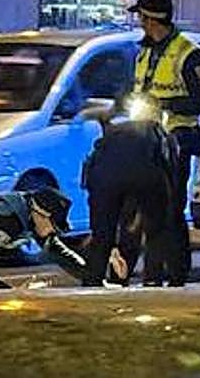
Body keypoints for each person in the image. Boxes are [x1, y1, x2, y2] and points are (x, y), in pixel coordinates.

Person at [127, 0, 200, 287]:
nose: (139, 21)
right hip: (145, 140)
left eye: (141, 16)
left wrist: (164, 105)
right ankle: (152, 273)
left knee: (170, 209)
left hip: (176, 141)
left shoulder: (189, 53)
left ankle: (176, 273)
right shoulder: (144, 52)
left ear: (152, 19)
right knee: (147, 208)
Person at [81, 117, 180, 287]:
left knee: (102, 234)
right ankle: (152, 278)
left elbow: (89, 174)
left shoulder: (109, 138)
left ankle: (94, 278)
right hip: (146, 175)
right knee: (156, 229)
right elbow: (168, 166)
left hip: (105, 180)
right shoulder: (157, 132)